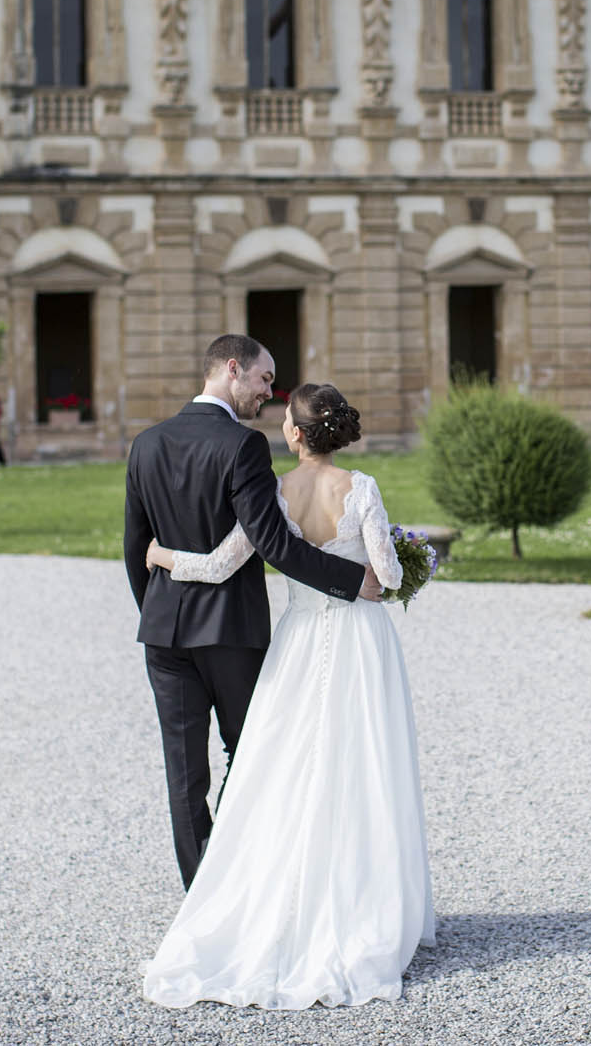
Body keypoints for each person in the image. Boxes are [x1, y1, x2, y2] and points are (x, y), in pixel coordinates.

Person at [140, 377, 430, 1009]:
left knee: (288, 771)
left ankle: (268, 902)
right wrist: (408, 560)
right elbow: (382, 576)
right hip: (360, 642)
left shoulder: (272, 492)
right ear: (336, 431)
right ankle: (364, 904)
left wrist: (165, 558)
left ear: (293, 434)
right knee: (362, 766)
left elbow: (221, 564)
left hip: (297, 643)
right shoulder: (362, 488)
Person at [123, 336, 385, 899]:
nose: (270, 393)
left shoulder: (145, 444)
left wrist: (157, 613)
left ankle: (204, 894)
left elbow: (134, 548)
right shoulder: (242, 446)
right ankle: (246, 887)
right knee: (249, 754)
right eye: (265, 379)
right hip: (231, 632)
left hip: (164, 635)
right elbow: (273, 543)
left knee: (183, 770)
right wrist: (350, 580)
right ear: (233, 369)